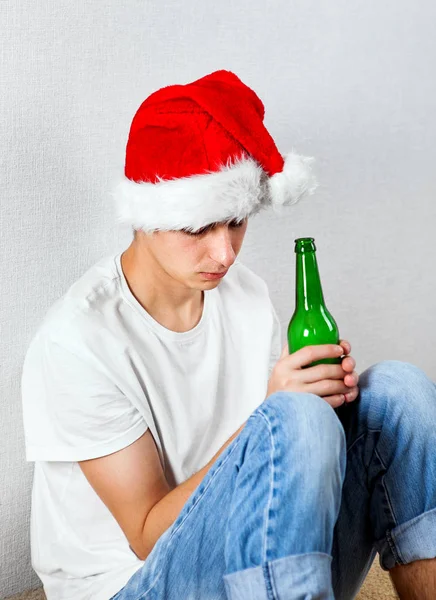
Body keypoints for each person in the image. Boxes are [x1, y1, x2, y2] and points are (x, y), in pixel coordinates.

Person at [21, 70, 436, 600]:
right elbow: (148, 534)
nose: (224, 254)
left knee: (401, 393)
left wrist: (323, 398)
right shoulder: (78, 341)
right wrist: (276, 414)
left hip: (246, 556)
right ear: (148, 215)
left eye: (237, 221)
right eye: (197, 229)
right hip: (130, 585)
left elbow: (276, 469)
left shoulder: (244, 295)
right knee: (291, 418)